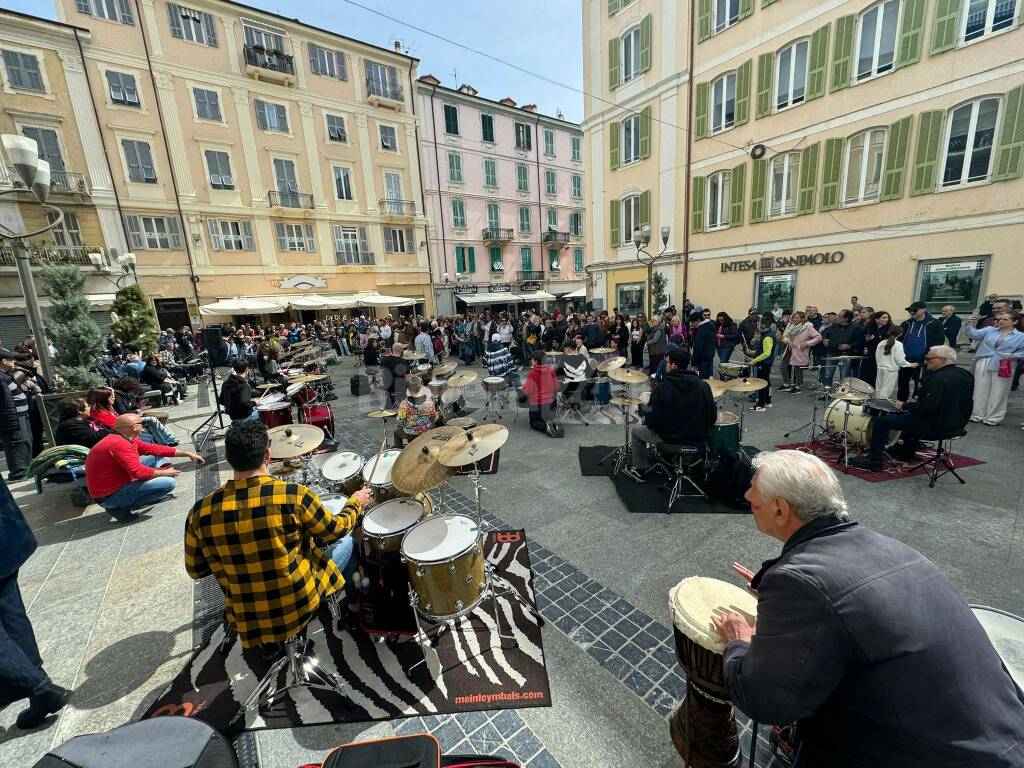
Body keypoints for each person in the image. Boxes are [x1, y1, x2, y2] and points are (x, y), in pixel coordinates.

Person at [712, 450, 1024, 767]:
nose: (747, 495)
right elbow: (854, 616)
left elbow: (765, 700)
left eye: (754, 489)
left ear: (780, 510)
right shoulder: (891, 547)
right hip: (1003, 740)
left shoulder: (802, 582)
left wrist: (739, 641)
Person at [185, 421, 369, 648]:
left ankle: (270, 646)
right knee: (349, 542)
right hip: (297, 600)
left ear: (227, 456)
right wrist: (355, 503)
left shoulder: (199, 512)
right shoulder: (293, 495)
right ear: (268, 456)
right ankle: (353, 611)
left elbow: (196, 570)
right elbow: (335, 530)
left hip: (245, 610)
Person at [0, 478, 73, 728]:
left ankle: (40, 689)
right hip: (4, 536)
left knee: (9, 613)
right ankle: (34, 684)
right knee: (11, 613)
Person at [850, 345, 973, 472]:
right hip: (958, 424)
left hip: (936, 425)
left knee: (882, 422)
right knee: (907, 415)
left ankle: (874, 461)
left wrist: (903, 405)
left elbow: (928, 407)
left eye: (929, 359)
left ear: (942, 360)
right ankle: (906, 452)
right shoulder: (966, 374)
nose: (925, 361)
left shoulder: (937, 378)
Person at [85, 413, 204, 523]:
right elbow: (138, 472)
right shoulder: (120, 444)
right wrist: (164, 473)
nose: (143, 426)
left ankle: (131, 497)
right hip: (109, 497)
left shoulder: (122, 438)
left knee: (153, 457)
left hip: (107, 488)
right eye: (141, 423)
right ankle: (121, 507)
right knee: (169, 483)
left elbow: (155, 449)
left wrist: (187, 454)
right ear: (134, 427)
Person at [624, 347, 715, 483]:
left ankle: (639, 469)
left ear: (674, 365)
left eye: (666, 362)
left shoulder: (661, 388)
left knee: (637, 431)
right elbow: (712, 416)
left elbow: (652, 421)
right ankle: (685, 463)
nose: (665, 365)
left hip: (670, 439)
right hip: (698, 439)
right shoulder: (704, 386)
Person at [963, 311, 1024, 426]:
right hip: (984, 361)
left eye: (1005, 319)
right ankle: (977, 414)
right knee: (980, 389)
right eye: (1000, 319)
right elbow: (973, 334)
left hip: (1005, 364)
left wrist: (1014, 356)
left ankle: (994, 417)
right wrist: (968, 323)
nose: (1001, 321)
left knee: (999, 391)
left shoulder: (1021, 336)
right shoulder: (990, 330)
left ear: (1015, 322)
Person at [897, 301, 944, 401]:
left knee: (923, 385)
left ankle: (919, 406)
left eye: (914, 310)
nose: (912, 312)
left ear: (924, 310)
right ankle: (900, 406)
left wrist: (929, 356)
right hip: (906, 360)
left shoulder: (934, 324)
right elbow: (899, 340)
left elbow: (938, 341)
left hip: (924, 360)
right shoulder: (906, 324)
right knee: (902, 384)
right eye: (910, 310)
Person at [0, 354, 32, 481]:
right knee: (16, 443)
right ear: (4, 361)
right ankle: (19, 472)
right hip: (12, 417)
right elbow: (5, 401)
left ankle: (26, 468)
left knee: (25, 441)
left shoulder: (5, 375)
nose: (14, 362)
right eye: (11, 360)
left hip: (20, 415)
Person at [779, 311, 821, 393]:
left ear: (802, 319)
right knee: (783, 366)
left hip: (800, 350)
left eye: (797, 318)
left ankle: (797, 386)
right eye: (794, 317)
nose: (794, 319)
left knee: (798, 368)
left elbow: (818, 337)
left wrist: (807, 343)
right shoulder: (790, 325)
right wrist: (787, 341)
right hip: (789, 348)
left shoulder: (808, 327)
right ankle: (786, 384)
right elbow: (785, 336)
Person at [520, 350, 559, 435]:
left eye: (533, 359)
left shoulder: (532, 373)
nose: (531, 361)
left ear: (536, 361)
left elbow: (528, 391)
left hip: (537, 403)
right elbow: (556, 386)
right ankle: (552, 424)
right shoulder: (551, 370)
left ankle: (546, 427)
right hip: (550, 402)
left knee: (533, 423)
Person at [873, 326, 915, 401]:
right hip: (891, 370)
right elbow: (900, 360)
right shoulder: (898, 344)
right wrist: (910, 364)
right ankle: (879, 409)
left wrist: (880, 365)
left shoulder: (881, 343)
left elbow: (877, 356)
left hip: (880, 368)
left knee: (879, 390)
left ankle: (876, 407)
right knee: (886, 391)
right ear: (900, 334)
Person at [394, 376, 438, 446]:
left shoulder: (404, 404)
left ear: (407, 388)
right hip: (426, 431)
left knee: (396, 433)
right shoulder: (429, 401)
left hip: (410, 433)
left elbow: (400, 422)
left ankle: (399, 451)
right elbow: (435, 418)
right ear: (421, 387)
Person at [747, 316, 776, 412]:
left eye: (759, 323)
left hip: (764, 363)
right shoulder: (767, 334)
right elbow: (763, 350)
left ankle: (761, 404)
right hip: (765, 363)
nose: (757, 325)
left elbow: (767, 353)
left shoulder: (767, 337)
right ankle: (767, 401)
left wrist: (754, 361)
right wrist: (753, 352)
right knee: (766, 382)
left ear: (763, 325)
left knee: (762, 383)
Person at [380, 342, 411, 408]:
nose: (403, 350)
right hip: (400, 388)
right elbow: (407, 378)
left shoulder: (384, 360)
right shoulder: (403, 361)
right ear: (400, 350)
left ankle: (390, 405)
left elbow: (381, 374)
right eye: (402, 349)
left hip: (388, 387)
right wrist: (419, 374)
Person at [690, 312, 717, 380]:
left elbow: (698, 348)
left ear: (698, 320)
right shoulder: (710, 326)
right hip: (709, 356)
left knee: (702, 380)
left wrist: (693, 362)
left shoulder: (701, 330)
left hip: (701, 358)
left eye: (693, 322)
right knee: (706, 379)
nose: (691, 324)